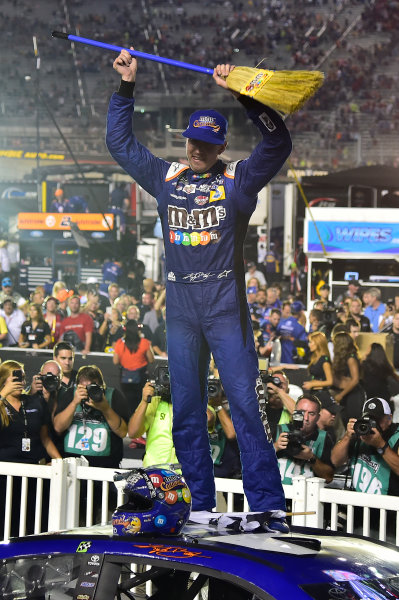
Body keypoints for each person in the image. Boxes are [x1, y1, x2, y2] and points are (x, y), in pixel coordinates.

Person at [107, 48, 292, 524]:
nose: (195, 150)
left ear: (220, 145)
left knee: (246, 406)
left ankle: (268, 507)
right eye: (191, 141)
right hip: (183, 312)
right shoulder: (166, 176)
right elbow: (120, 145)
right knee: (187, 411)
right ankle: (200, 507)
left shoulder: (238, 179)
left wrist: (245, 95)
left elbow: (278, 147)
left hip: (226, 308)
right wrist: (126, 86)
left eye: (205, 144)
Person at [0, 360, 62, 537]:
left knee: (32, 521)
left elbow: (45, 438)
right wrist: (3, 394)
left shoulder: (34, 402)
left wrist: (59, 462)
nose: (20, 382)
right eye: (15, 378)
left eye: (22, 377)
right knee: (5, 522)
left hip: (34, 472)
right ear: (3, 380)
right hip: (5, 475)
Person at [53, 364, 128, 468]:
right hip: (72, 466)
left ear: (102, 386)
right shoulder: (71, 394)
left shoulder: (113, 396)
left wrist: (106, 408)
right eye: (83, 387)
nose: (88, 391)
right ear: (77, 386)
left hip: (105, 466)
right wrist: (74, 403)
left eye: (92, 387)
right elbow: (58, 427)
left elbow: (123, 432)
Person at [331, 398, 399, 495]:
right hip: (358, 505)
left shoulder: (397, 436)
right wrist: (347, 437)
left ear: (389, 418)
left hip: (386, 506)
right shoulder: (360, 431)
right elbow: (335, 461)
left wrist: (381, 445)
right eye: (369, 418)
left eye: (377, 419)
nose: (372, 424)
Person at [274, 393, 334, 485]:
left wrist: (311, 458)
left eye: (311, 413)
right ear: (294, 413)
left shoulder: (324, 438)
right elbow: (254, 461)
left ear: (318, 417)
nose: (305, 418)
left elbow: (328, 477)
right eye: (301, 412)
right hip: (277, 494)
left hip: (307, 496)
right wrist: (276, 447)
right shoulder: (278, 431)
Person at [113, 319, 154, 415]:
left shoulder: (120, 343)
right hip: (141, 378)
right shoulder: (144, 342)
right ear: (137, 330)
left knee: (130, 404)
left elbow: (115, 361)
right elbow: (151, 360)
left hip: (125, 379)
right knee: (142, 403)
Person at [331, 331, 366, 426]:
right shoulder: (343, 358)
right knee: (345, 421)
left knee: (352, 422)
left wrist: (341, 395)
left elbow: (355, 380)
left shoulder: (351, 358)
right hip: (346, 394)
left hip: (353, 395)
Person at [302, 331, 333, 406]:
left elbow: (330, 381)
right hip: (314, 393)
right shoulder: (314, 358)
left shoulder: (324, 360)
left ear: (318, 343)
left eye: (311, 342)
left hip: (322, 395)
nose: (309, 345)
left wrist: (312, 384)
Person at [264, 370, 295, 441]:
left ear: (288, 390)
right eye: (273, 382)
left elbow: (299, 414)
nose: (276, 384)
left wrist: (278, 390)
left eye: (281, 384)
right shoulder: (259, 405)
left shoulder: (290, 407)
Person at [276, 300, 308, 364]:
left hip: (279, 359)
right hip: (292, 361)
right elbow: (303, 347)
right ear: (300, 312)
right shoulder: (300, 327)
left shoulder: (281, 323)